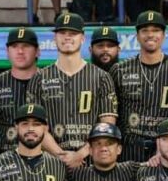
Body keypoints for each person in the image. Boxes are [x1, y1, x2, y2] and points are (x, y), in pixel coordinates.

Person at [27, 12, 117, 168]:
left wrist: (80, 154)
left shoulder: (102, 77)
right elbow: (35, 126)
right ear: (55, 38)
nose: (67, 37)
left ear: (82, 38)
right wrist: (61, 156)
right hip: (51, 164)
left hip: (91, 163)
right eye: (62, 33)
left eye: (72, 33)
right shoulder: (39, 78)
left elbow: (107, 125)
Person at [110, 11, 168, 162]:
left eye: (156, 30)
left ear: (164, 35)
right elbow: (111, 112)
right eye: (145, 30)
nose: (150, 35)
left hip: (165, 151)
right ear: (136, 35)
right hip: (128, 150)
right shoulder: (120, 69)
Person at [0, 27, 40, 157]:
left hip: (44, 159)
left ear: (37, 52)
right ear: (7, 51)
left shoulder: (50, 82)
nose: (20, 51)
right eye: (14, 46)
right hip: (3, 158)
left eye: (26, 46)